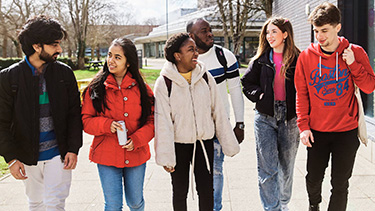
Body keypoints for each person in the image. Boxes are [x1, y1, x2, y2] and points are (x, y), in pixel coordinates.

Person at [295, 2, 375, 211]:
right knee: (313, 179)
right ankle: (314, 206)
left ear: (338, 27)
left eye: (324, 31)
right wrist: (303, 127)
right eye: (316, 31)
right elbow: (302, 94)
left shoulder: (355, 52)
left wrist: (353, 64)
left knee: (340, 184)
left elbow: (369, 87)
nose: (319, 36)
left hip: (346, 133)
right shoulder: (306, 57)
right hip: (317, 132)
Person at [0, 15, 83, 210]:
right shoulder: (8, 78)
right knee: (36, 203)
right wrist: (11, 158)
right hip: (26, 155)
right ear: (37, 46)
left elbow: (74, 114)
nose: (59, 50)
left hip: (58, 153)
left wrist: (73, 148)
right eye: (54, 44)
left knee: (55, 203)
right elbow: (1, 122)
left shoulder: (64, 74)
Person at [154, 32, 240, 211]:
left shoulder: (205, 77)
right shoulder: (164, 83)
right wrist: (166, 157)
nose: (196, 53)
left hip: (204, 143)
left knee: (206, 190)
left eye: (196, 49)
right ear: (177, 56)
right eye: (190, 50)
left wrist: (229, 144)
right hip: (179, 146)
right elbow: (163, 123)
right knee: (179, 191)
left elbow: (218, 112)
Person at [81, 37, 154, 211]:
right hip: (106, 155)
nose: (111, 60)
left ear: (128, 62)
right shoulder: (96, 88)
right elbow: (86, 121)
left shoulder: (143, 89)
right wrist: (107, 125)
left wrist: (137, 139)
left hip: (136, 153)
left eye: (117, 57)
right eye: (110, 55)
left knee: (135, 203)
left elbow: (152, 121)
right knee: (113, 205)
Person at [241, 17, 300, 211]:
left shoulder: (298, 58)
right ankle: (271, 208)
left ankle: (283, 203)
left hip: (290, 118)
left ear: (285, 34)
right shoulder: (261, 59)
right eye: (267, 32)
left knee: (286, 167)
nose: (269, 36)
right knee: (268, 168)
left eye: (274, 31)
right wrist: (260, 94)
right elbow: (246, 83)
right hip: (265, 117)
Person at [186, 18, 245, 211]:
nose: (209, 34)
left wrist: (240, 123)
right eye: (204, 31)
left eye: (210, 30)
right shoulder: (186, 59)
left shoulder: (224, 56)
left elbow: (236, 90)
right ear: (191, 36)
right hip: (192, 127)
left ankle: (214, 208)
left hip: (219, 124)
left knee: (216, 170)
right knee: (198, 173)